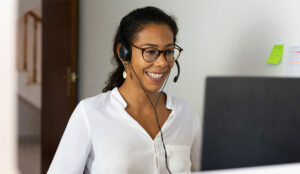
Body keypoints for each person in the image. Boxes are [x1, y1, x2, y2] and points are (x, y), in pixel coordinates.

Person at [47, 6, 201, 174]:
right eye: (150, 51)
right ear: (123, 53)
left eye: (169, 52)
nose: (162, 63)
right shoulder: (90, 112)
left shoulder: (185, 113)